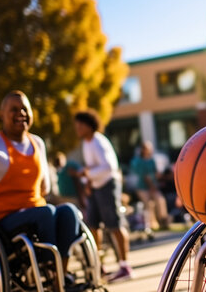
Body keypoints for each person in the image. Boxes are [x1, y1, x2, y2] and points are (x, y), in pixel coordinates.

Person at [0, 90, 81, 286]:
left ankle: (60, 274)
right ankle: (49, 274)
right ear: (2, 115)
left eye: (25, 109)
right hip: (4, 219)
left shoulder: (38, 143)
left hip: (37, 211)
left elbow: (45, 188)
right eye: (14, 110)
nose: (21, 113)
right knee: (46, 213)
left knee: (69, 212)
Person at [74, 110, 133, 283]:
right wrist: (88, 182)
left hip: (108, 185)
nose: (77, 129)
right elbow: (92, 168)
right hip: (96, 187)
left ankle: (125, 266)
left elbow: (108, 167)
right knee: (93, 226)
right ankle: (98, 266)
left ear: (88, 125)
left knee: (114, 224)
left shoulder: (99, 141)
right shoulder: (86, 143)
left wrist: (86, 173)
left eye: (79, 125)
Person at [129, 140, 170, 230]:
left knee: (160, 200)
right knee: (148, 204)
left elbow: (155, 173)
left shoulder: (151, 160)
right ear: (143, 150)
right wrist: (152, 186)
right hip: (142, 187)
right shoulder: (137, 161)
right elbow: (145, 176)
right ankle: (152, 224)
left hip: (153, 186)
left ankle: (163, 220)